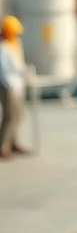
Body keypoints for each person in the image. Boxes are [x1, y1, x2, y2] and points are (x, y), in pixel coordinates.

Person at [0, 15, 29, 158]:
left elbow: (18, 64)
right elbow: (4, 70)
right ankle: (3, 146)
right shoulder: (3, 48)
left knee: (18, 115)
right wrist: (10, 87)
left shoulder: (14, 44)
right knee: (10, 117)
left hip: (17, 86)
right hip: (8, 87)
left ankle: (13, 142)